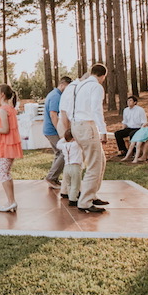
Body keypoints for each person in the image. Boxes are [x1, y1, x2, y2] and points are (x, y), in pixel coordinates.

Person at [59, 63, 109, 214]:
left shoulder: (79, 86)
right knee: (95, 164)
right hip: (87, 125)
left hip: (76, 125)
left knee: (101, 160)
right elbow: (96, 109)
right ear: (103, 76)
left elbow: (68, 108)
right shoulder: (96, 87)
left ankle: (91, 194)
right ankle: (85, 201)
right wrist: (103, 130)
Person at [0, 84, 23, 213]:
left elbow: (5, 129)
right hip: (9, 145)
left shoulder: (3, 109)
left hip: (7, 146)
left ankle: (11, 201)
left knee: (2, 173)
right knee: (5, 173)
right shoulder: (10, 108)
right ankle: (11, 201)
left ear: (2, 94)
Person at [43, 76, 72, 190]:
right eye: (68, 87)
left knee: (58, 154)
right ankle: (51, 177)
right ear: (62, 85)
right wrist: (61, 133)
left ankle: (53, 178)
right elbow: (53, 115)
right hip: (52, 130)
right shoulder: (56, 96)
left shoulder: (56, 94)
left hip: (49, 129)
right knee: (63, 152)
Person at [56, 129, 83, 206]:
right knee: (75, 184)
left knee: (69, 184)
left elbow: (58, 144)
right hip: (75, 166)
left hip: (67, 167)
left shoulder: (64, 145)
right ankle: (73, 199)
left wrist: (65, 138)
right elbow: (82, 140)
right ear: (74, 137)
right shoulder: (77, 144)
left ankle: (71, 197)